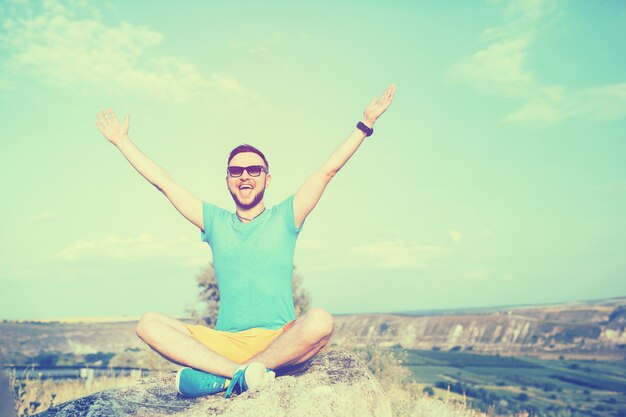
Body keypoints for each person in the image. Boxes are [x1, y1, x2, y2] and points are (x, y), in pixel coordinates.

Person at [95, 83, 396, 398]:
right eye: (236, 171)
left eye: (254, 169)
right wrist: (121, 141)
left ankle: (228, 378)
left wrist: (366, 124)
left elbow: (327, 172)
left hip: (278, 341)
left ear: (267, 178)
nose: (245, 176)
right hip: (224, 344)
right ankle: (239, 375)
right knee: (148, 324)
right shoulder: (215, 222)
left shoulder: (285, 217)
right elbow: (164, 184)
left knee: (320, 320)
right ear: (227, 181)